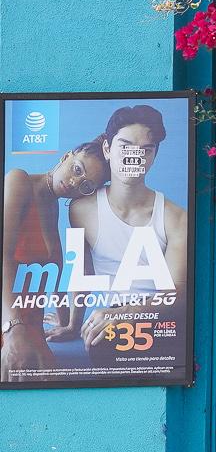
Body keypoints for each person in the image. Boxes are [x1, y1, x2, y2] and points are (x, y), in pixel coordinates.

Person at [69, 104, 189, 368]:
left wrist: (124, 315)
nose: (134, 156)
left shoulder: (175, 217)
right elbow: (84, 274)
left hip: (159, 321)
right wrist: (71, 324)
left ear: (154, 156)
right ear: (107, 150)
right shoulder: (81, 210)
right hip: (108, 324)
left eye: (146, 149)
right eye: (125, 145)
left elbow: (178, 297)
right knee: (103, 347)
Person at [0, 140, 111, 381]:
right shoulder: (19, 180)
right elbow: (3, 256)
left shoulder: (53, 206)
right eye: (77, 169)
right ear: (67, 156)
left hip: (31, 330)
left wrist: (70, 323)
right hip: (10, 325)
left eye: (85, 185)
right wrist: (13, 329)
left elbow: (61, 271)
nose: (74, 183)